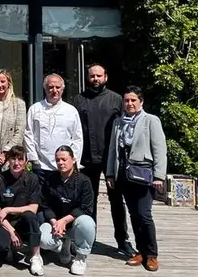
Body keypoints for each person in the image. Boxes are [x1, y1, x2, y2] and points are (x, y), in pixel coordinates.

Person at [71, 64, 133, 257]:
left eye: (99, 75)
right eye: (92, 76)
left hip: (111, 158)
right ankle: (88, 239)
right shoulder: (78, 100)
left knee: (117, 201)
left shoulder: (116, 99)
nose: (95, 79)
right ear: (87, 78)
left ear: (105, 77)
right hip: (86, 158)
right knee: (88, 201)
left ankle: (122, 240)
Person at [106, 86, 167, 272]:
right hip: (124, 175)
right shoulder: (118, 122)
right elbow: (112, 150)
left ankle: (152, 254)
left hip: (144, 175)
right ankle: (141, 251)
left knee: (144, 214)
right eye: (127, 100)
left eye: (133, 100)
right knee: (133, 214)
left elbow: (160, 149)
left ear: (141, 102)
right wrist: (110, 173)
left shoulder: (151, 120)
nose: (130, 103)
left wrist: (159, 175)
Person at [39, 146, 95, 276]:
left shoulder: (84, 181)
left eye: (64, 159)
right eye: (57, 160)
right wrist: (55, 222)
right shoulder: (50, 179)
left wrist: (64, 221)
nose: (60, 163)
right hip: (55, 223)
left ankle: (80, 257)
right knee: (42, 239)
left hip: (74, 224)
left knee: (87, 223)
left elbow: (86, 207)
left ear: (73, 160)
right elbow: (45, 205)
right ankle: (61, 246)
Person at [0, 145, 43, 275]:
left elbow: (33, 208)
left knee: (30, 216)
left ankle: (36, 256)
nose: (16, 163)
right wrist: (12, 232)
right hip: (4, 223)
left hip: (23, 221)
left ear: (26, 162)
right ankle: (9, 249)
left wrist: (8, 209)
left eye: (20, 159)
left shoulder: (32, 179)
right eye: (13, 159)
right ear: (8, 160)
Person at [24, 74, 83, 184]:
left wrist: (73, 161)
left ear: (62, 89)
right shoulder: (35, 109)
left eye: (58, 87)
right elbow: (28, 134)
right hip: (41, 166)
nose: (54, 90)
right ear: (45, 88)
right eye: (51, 87)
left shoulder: (71, 111)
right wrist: (34, 159)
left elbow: (77, 138)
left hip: (64, 167)